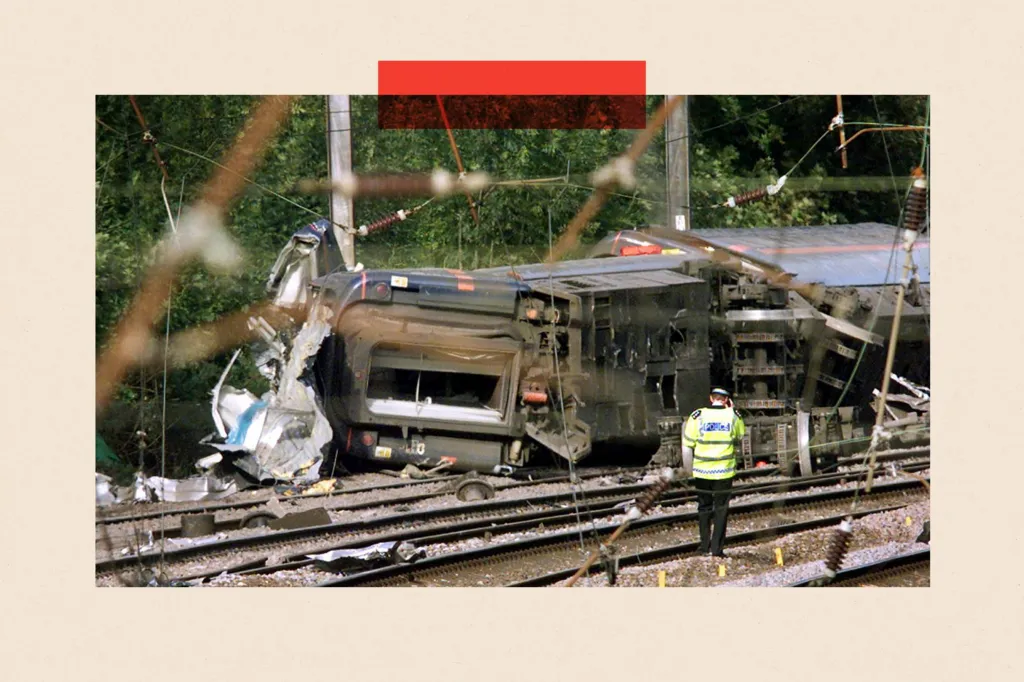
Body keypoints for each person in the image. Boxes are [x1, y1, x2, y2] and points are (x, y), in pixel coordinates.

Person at [682, 388, 746, 557]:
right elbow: (740, 436)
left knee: (704, 507)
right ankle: (717, 549)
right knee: (721, 509)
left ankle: (704, 546)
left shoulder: (697, 415)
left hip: (702, 471)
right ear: (726, 400)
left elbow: (688, 442)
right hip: (723, 471)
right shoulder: (733, 415)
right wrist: (731, 410)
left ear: (711, 398)